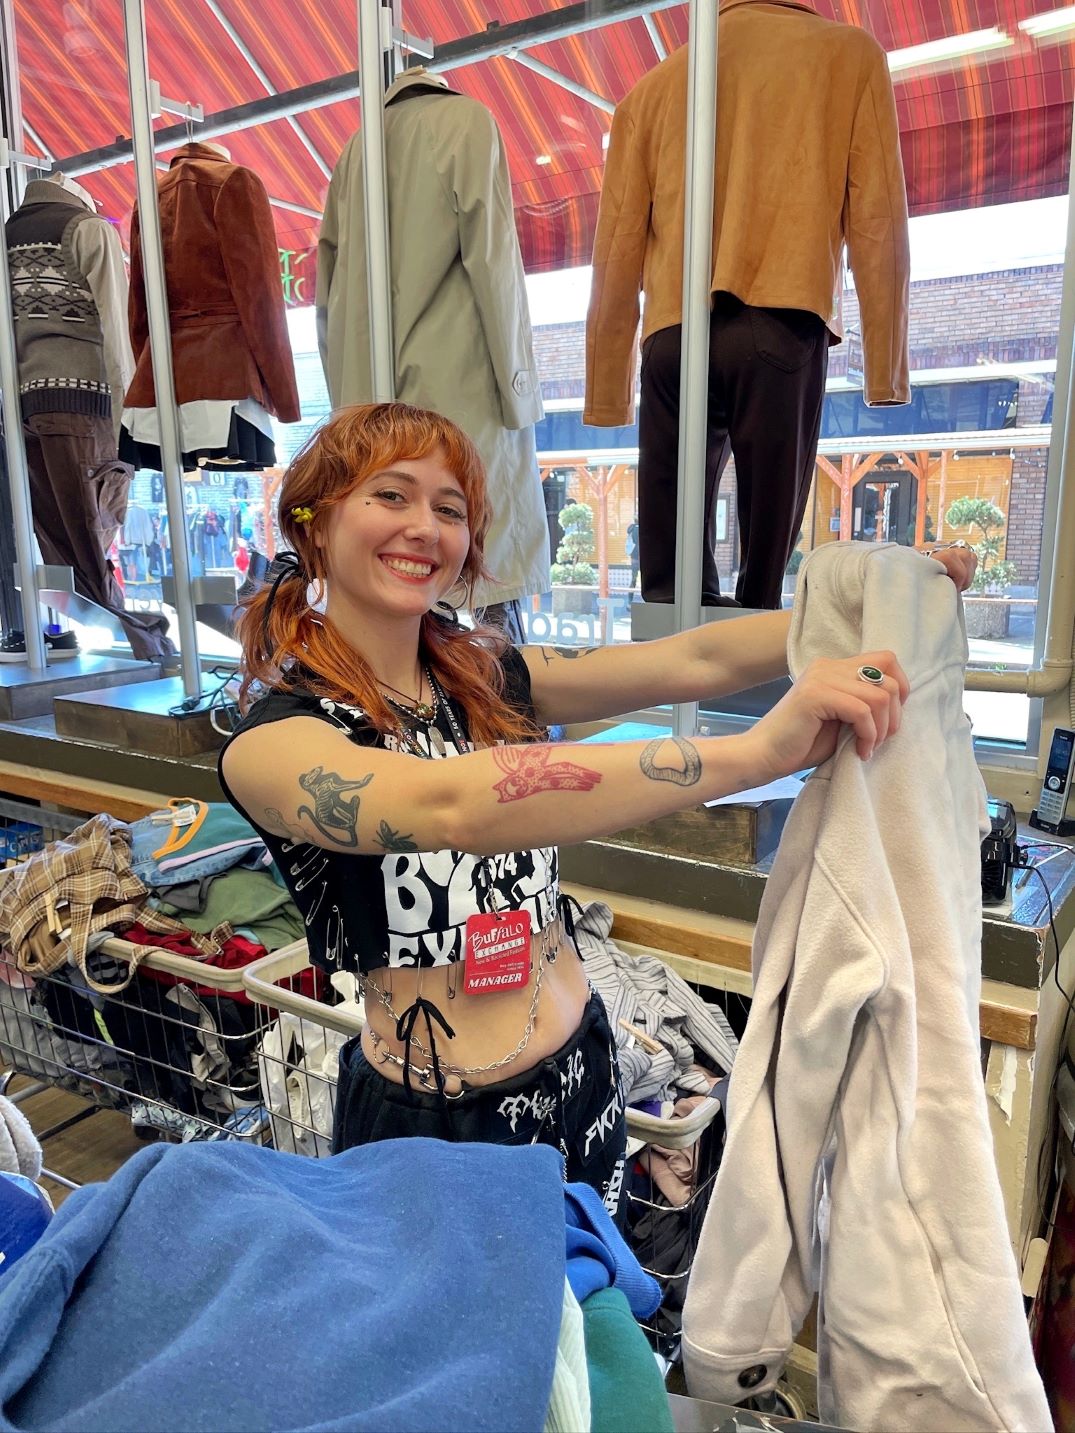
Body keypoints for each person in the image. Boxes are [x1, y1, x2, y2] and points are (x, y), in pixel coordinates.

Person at [218, 402, 976, 1217]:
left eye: (449, 508)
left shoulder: (485, 676)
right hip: (436, 1125)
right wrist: (757, 754)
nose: (424, 528)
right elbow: (451, 807)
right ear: (314, 520)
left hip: (584, 1072)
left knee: (593, 1318)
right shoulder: (276, 744)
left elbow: (691, 656)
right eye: (391, 496)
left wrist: (878, 597)